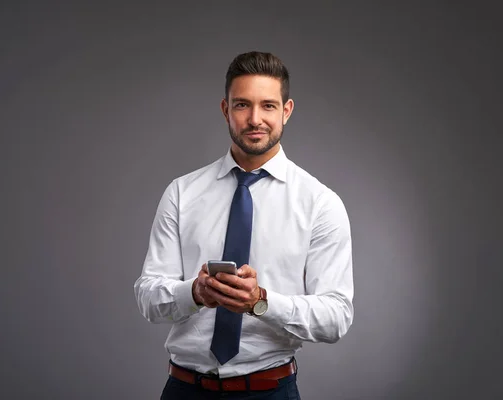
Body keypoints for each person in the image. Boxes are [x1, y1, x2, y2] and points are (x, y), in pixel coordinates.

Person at [134, 51, 354, 400]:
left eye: (268, 105)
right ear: (226, 110)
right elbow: (148, 296)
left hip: (269, 392)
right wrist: (194, 292)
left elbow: (336, 317)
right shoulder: (182, 193)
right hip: (185, 390)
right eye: (242, 105)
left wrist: (260, 301)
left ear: (287, 110)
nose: (255, 119)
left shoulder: (320, 204)